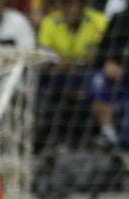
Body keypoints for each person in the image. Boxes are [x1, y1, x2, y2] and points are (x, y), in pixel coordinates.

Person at [35, 0, 107, 147]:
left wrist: (74, 62)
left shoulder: (99, 21)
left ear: (85, 5)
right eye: (68, 4)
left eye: (77, 4)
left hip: (88, 73)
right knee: (38, 80)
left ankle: (94, 137)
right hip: (58, 74)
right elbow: (43, 57)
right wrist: (60, 63)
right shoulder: (50, 22)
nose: (73, 9)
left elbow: (103, 56)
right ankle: (43, 136)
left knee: (98, 81)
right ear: (61, 6)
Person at [90, 5, 129, 149]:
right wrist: (108, 63)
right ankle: (108, 133)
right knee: (98, 79)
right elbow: (101, 52)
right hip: (118, 77)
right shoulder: (120, 18)